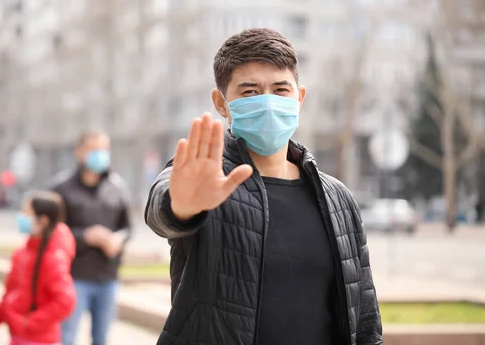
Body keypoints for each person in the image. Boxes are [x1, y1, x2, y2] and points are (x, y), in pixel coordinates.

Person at [145, 28, 383, 345]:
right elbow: (163, 209)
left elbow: (364, 315)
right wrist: (182, 206)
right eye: (250, 92)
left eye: (280, 90)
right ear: (221, 102)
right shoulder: (206, 179)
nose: (268, 102)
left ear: (299, 98)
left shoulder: (338, 199)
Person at [52, 131, 132, 345]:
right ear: (79, 152)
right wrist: (84, 236)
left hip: (108, 278)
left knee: (102, 339)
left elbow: (127, 229)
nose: (100, 155)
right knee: (65, 338)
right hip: (73, 277)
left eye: (104, 149)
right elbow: (51, 231)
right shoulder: (61, 188)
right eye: (93, 149)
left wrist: (118, 240)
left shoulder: (117, 187)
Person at [0, 190, 77, 345]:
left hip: (40, 339)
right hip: (19, 337)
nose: (21, 216)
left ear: (43, 221)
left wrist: (29, 323)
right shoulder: (23, 253)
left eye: (26, 212)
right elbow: (10, 295)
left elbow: (65, 301)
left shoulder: (53, 258)